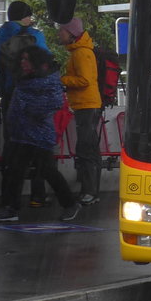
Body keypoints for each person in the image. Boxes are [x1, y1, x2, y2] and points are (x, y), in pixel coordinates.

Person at [0, 45, 80, 223]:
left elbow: (53, 103)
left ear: (36, 62)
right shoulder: (26, 80)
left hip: (38, 135)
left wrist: (27, 108)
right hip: (21, 133)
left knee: (46, 171)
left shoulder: (46, 82)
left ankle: (69, 204)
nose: (23, 63)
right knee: (16, 171)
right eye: (22, 59)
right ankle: (12, 208)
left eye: (27, 59)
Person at [0, 0, 50, 206]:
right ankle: (38, 195)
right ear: (26, 16)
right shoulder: (36, 36)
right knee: (39, 146)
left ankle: (9, 201)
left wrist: (1, 90)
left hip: (11, 98)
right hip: (34, 99)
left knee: (12, 149)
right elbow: (46, 66)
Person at [56, 17, 101, 206]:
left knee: (86, 149)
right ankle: (90, 191)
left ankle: (90, 192)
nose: (60, 34)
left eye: (62, 31)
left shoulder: (81, 53)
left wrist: (63, 80)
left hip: (87, 105)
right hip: (86, 104)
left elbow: (84, 80)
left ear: (71, 33)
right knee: (88, 148)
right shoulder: (79, 51)